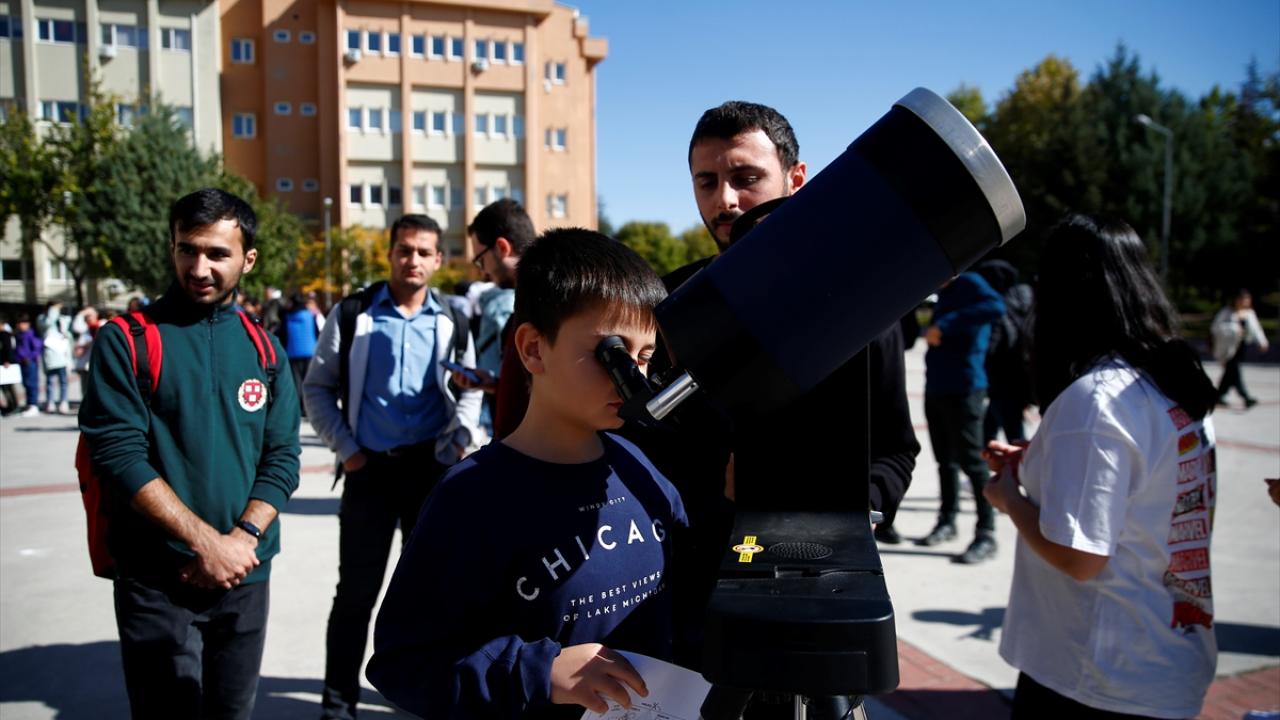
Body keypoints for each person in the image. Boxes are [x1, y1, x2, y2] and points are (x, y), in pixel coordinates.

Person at [634, 101, 919, 669]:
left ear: (796, 178)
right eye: (707, 182)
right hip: (696, 590)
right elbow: (644, 445)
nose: (725, 201)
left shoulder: (867, 303)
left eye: (745, 178)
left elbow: (895, 448)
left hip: (824, 586)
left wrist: (848, 507)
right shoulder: (672, 306)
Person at [367, 228, 687, 719]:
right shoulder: (472, 498)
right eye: (614, 354)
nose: (634, 379)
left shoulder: (641, 469)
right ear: (534, 348)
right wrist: (541, 671)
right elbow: (403, 663)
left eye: (644, 359)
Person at [77, 188, 302, 719]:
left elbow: (283, 457)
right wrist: (204, 544)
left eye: (217, 254)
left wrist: (240, 541)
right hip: (156, 581)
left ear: (248, 259)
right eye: (187, 249)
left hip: (246, 576)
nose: (199, 267)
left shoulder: (265, 350)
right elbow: (119, 455)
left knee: (233, 712)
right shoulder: (127, 339)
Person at [984, 214, 1218, 718]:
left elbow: (1081, 558)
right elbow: (1153, 487)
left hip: (1095, 675)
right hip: (1164, 656)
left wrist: (1011, 498)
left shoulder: (1095, 401)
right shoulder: (1174, 383)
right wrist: (1041, 462)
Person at [303, 213, 484, 720]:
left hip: (431, 472)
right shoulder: (353, 313)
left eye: (424, 252)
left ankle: (420, 699)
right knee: (355, 597)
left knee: (429, 595)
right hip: (370, 474)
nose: (414, 260)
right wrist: (348, 450)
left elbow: (468, 389)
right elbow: (316, 388)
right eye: (405, 250)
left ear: (438, 260)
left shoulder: (454, 319)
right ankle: (338, 706)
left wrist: (459, 441)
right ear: (390, 254)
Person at [916, 271, 1006, 564]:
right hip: (937, 387)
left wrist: (946, 323)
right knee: (945, 461)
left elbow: (996, 307)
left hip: (965, 387)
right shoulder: (945, 291)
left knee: (972, 461)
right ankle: (947, 521)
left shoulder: (970, 282)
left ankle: (986, 533)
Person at [454, 198, 538, 439]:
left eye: (480, 259)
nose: (483, 271)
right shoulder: (524, 305)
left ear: (502, 248)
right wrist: (495, 384)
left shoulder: (551, 308)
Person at [974, 258, 1035, 444]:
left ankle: (1017, 471)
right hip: (1021, 377)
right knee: (991, 429)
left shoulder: (997, 307)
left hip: (1002, 381)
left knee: (1014, 435)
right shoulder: (1023, 300)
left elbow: (993, 346)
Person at [1211, 288, 1269, 409]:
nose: (1245, 301)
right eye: (1243, 299)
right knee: (1234, 371)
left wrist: (1262, 342)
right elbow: (1215, 328)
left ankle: (1218, 396)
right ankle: (1246, 397)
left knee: (1230, 373)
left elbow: (1256, 330)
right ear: (1236, 300)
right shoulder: (1227, 312)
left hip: (1241, 346)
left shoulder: (1249, 314)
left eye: (1247, 299)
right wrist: (1233, 329)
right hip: (1227, 347)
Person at [280, 290, 320, 417]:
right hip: (310, 352)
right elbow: (317, 332)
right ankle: (309, 408)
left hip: (293, 352)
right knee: (308, 381)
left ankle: (298, 408)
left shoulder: (287, 317)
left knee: (296, 382)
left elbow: (283, 335)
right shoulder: (310, 315)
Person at [38, 300, 73, 414]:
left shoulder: (62, 318)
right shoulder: (42, 318)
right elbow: (47, 325)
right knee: (50, 380)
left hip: (62, 352)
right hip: (51, 353)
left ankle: (63, 401)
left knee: (63, 380)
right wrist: (52, 311)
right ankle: (50, 402)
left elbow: (67, 332)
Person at [13, 313, 42, 417]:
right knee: (25, 383)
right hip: (21, 362)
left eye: (23, 323)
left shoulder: (31, 334)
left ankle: (33, 404)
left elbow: (37, 348)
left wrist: (29, 358)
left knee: (31, 384)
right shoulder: (17, 334)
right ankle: (29, 403)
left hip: (30, 363)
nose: (21, 326)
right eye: (19, 323)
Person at [0, 318, 19, 415]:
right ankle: (7, 406)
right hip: (2, 364)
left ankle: (13, 406)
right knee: (4, 388)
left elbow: (8, 349)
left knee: (8, 387)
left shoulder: (5, 335)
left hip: (5, 365)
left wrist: (7, 360)